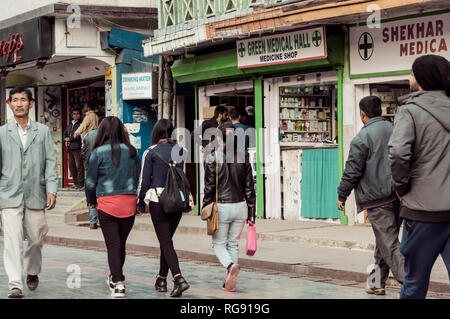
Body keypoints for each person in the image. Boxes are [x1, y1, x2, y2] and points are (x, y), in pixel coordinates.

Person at [388, 54, 450, 299]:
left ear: (423, 78)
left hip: (424, 212)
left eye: (412, 73)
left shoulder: (410, 111)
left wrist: (401, 186)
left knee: (414, 282)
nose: (409, 77)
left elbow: (398, 153)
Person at [337, 96, 404, 296]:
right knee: (383, 240)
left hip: (378, 199)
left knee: (389, 242)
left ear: (362, 114)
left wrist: (342, 194)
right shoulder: (395, 130)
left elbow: (352, 171)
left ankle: (411, 282)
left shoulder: (361, 138)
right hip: (399, 195)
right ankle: (376, 283)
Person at [0, 87, 58, 298]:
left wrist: (52, 189)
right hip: (8, 195)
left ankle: (32, 270)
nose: (19, 104)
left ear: (31, 103)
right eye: (14, 100)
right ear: (9, 104)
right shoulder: (1, 134)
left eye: (23, 100)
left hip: (36, 193)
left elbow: (51, 161)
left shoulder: (42, 131)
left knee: (37, 237)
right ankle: (15, 283)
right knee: (12, 240)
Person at [85, 116, 141, 298]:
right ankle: (115, 276)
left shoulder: (98, 153)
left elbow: (90, 181)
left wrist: (91, 201)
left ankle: (118, 283)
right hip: (129, 203)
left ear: (102, 131)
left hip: (107, 203)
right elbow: (137, 175)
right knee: (120, 244)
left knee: (113, 245)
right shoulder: (132, 151)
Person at [137, 119, 190, 298]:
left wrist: (140, 201)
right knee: (166, 240)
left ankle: (179, 278)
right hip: (177, 200)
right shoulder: (182, 151)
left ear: (156, 133)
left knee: (165, 241)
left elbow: (143, 182)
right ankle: (161, 279)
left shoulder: (150, 152)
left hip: (158, 199)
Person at [203, 121, 256, 292]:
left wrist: (206, 206)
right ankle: (230, 282)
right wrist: (252, 211)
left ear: (218, 138)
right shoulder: (243, 157)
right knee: (233, 244)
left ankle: (230, 265)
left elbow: (209, 186)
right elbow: (249, 187)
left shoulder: (212, 157)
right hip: (241, 207)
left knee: (218, 244)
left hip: (222, 206)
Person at [81, 116, 104, 229]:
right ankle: (102, 220)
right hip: (104, 171)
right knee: (102, 195)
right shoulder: (108, 137)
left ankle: (92, 221)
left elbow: (83, 152)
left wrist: (87, 166)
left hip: (90, 170)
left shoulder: (88, 135)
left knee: (90, 194)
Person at [64, 108, 84, 189]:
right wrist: (65, 139)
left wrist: (70, 138)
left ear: (80, 115)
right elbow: (65, 134)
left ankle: (81, 183)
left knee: (79, 166)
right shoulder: (70, 124)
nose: (76, 115)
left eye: (77, 113)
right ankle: (75, 183)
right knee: (72, 166)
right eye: (74, 114)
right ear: (72, 115)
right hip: (70, 148)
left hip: (77, 147)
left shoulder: (81, 124)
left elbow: (79, 135)